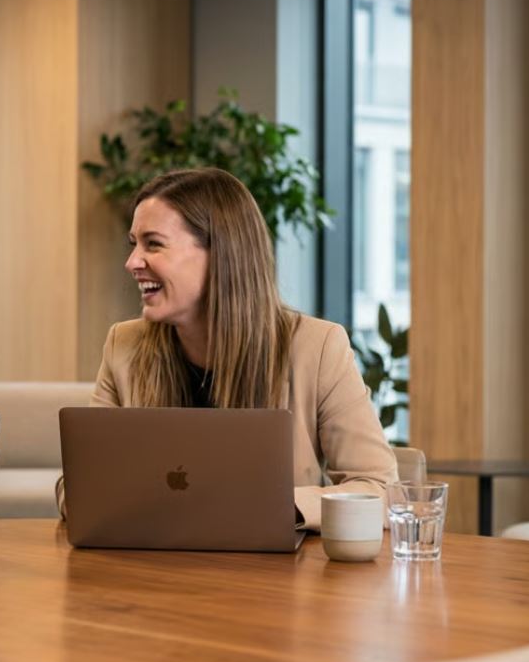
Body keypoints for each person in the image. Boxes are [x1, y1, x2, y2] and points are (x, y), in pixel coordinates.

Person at [58, 168, 396, 529]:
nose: (132, 262)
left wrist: (269, 505)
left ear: (221, 253)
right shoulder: (123, 346)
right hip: (154, 570)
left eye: (153, 244)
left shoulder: (318, 347)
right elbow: (79, 489)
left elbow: (381, 490)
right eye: (134, 244)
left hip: (277, 578)